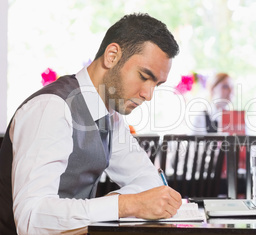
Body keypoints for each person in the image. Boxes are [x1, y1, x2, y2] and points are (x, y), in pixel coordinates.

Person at [0, 13, 182, 234]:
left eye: (157, 84)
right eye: (144, 76)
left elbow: (150, 181)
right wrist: (127, 205)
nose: (148, 95)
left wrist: (121, 203)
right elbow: (31, 218)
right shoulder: (51, 108)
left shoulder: (110, 116)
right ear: (112, 56)